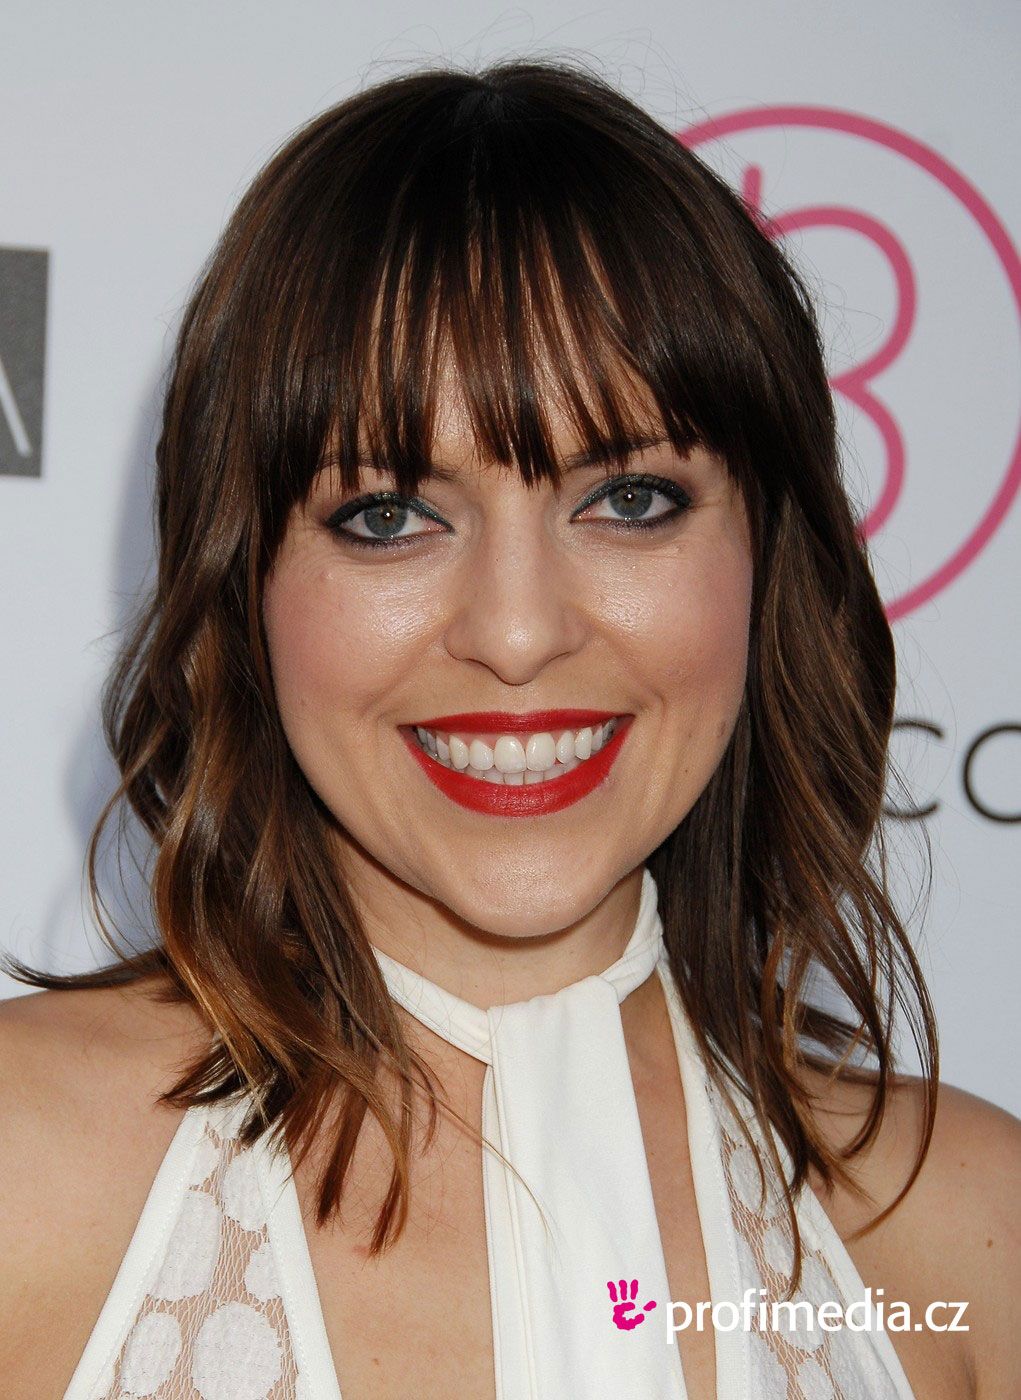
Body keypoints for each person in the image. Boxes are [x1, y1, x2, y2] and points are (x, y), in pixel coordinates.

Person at [0, 58, 1017, 1400]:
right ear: (240, 585)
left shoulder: (970, 1235)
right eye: (388, 516)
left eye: (630, 500)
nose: (520, 633)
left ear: (770, 555)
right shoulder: (23, 1174)